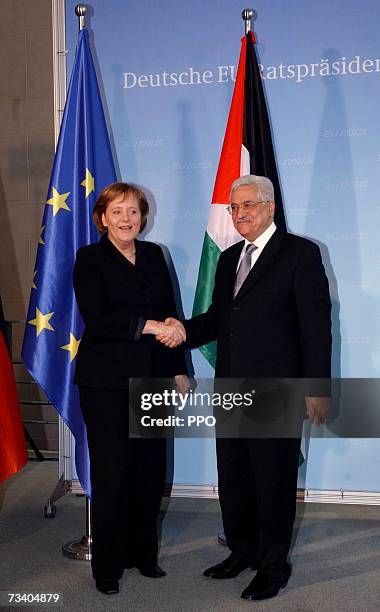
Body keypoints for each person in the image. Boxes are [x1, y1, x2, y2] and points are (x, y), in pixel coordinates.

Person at [159, 174, 332, 601]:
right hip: (231, 387)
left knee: (273, 481)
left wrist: (317, 387)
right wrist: (183, 330)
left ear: (270, 207)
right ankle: (242, 551)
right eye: (234, 208)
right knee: (234, 476)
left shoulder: (300, 254)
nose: (239, 214)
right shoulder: (229, 256)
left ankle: (273, 567)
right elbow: (220, 318)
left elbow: (316, 327)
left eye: (249, 205)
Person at [73, 182, 188, 595]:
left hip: (154, 378)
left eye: (134, 212)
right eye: (117, 212)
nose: (126, 219)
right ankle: (107, 567)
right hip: (106, 383)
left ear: (143, 217)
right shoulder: (89, 259)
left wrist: (178, 369)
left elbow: (170, 313)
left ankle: (144, 555)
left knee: (149, 470)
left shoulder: (156, 255)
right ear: (103, 218)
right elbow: (98, 317)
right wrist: (151, 326)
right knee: (112, 474)